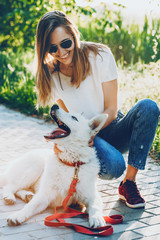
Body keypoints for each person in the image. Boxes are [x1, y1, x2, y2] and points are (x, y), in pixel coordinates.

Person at [35, 10, 160, 208]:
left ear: (74, 34)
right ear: (45, 50)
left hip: (111, 124)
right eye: (52, 48)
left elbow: (111, 108)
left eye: (65, 43)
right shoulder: (52, 76)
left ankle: (129, 183)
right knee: (113, 165)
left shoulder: (100, 55)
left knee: (149, 107)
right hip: (88, 137)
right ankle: (79, 189)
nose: (61, 52)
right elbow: (68, 119)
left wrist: (93, 131)